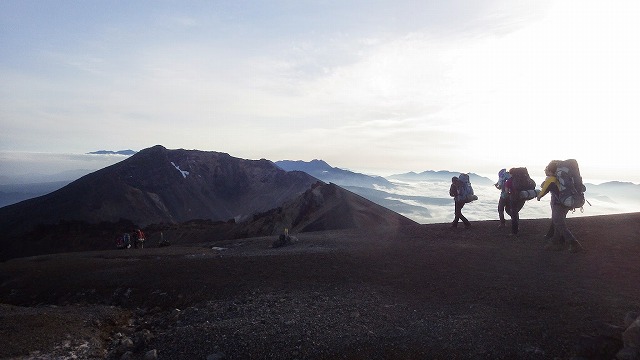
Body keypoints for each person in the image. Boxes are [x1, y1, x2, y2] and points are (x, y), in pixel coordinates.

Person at [537, 160, 583, 252]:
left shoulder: (551, 179)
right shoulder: (561, 179)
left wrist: (538, 196)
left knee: (558, 223)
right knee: (559, 222)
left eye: (547, 169)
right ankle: (555, 242)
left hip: (559, 204)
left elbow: (543, 191)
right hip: (567, 201)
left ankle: (573, 243)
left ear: (551, 171)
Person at [504, 168, 526, 236]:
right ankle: (517, 225)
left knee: (510, 212)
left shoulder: (509, 181)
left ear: (511, 174)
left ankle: (514, 232)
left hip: (514, 198)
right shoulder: (523, 180)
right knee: (516, 212)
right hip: (523, 198)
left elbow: (507, 191)